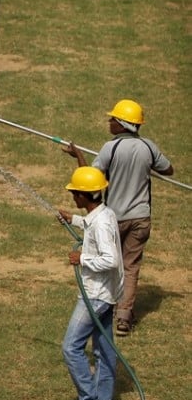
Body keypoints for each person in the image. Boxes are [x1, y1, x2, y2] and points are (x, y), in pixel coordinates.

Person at [62, 99, 174, 336]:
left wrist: (78, 155)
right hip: (141, 218)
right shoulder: (148, 147)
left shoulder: (110, 148)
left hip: (115, 218)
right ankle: (123, 317)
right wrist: (145, 165)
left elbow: (90, 178)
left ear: (123, 124)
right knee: (130, 266)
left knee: (110, 262)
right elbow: (168, 169)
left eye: (113, 119)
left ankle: (106, 307)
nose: (109, 122)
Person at [56, 166, 124, 400]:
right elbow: (91, 225)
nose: (73, 197)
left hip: (95, 296)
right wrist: (72, 219)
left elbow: (111, 259)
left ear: (84, 196)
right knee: (104, 350)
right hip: (107, 294)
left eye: (75, 193)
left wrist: (81, 258)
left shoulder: (103, 224)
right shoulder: (103, 213)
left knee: (71, 347)